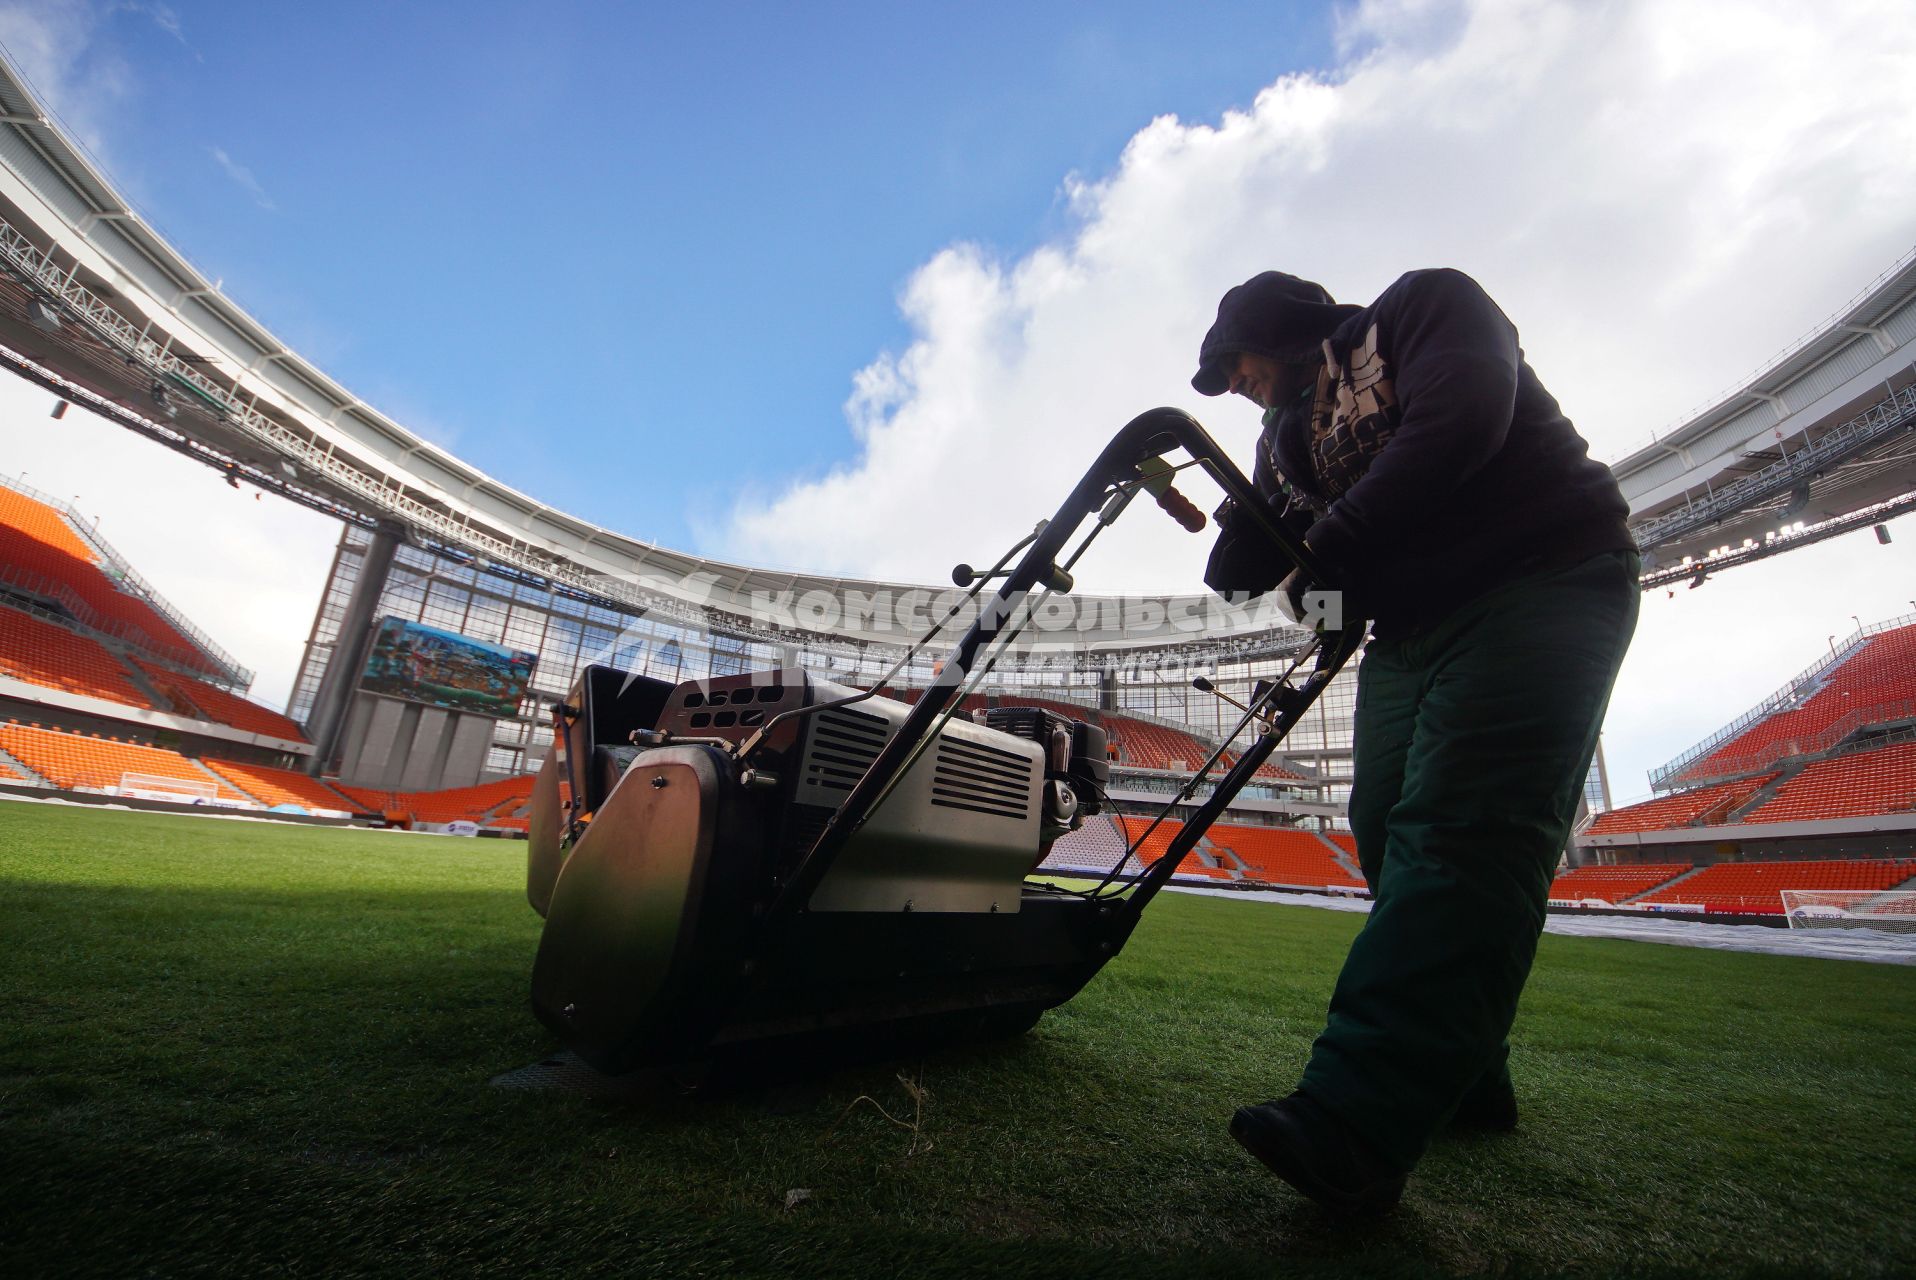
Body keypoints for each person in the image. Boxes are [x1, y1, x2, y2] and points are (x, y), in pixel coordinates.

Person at [1190, 268, 1639, 1214]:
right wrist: (1253, 515)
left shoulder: (1422, 309)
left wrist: (1330, 545)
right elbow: (1242, 574)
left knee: (1462, 831)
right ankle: (1465, 1069)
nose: (1239, 386)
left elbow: (1463, 421)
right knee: (1386, 825)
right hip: (1410, 630)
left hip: (1541, 577)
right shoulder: (1286, 441)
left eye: (1238, 365)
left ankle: (1355, 1121)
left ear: (1277, 331)